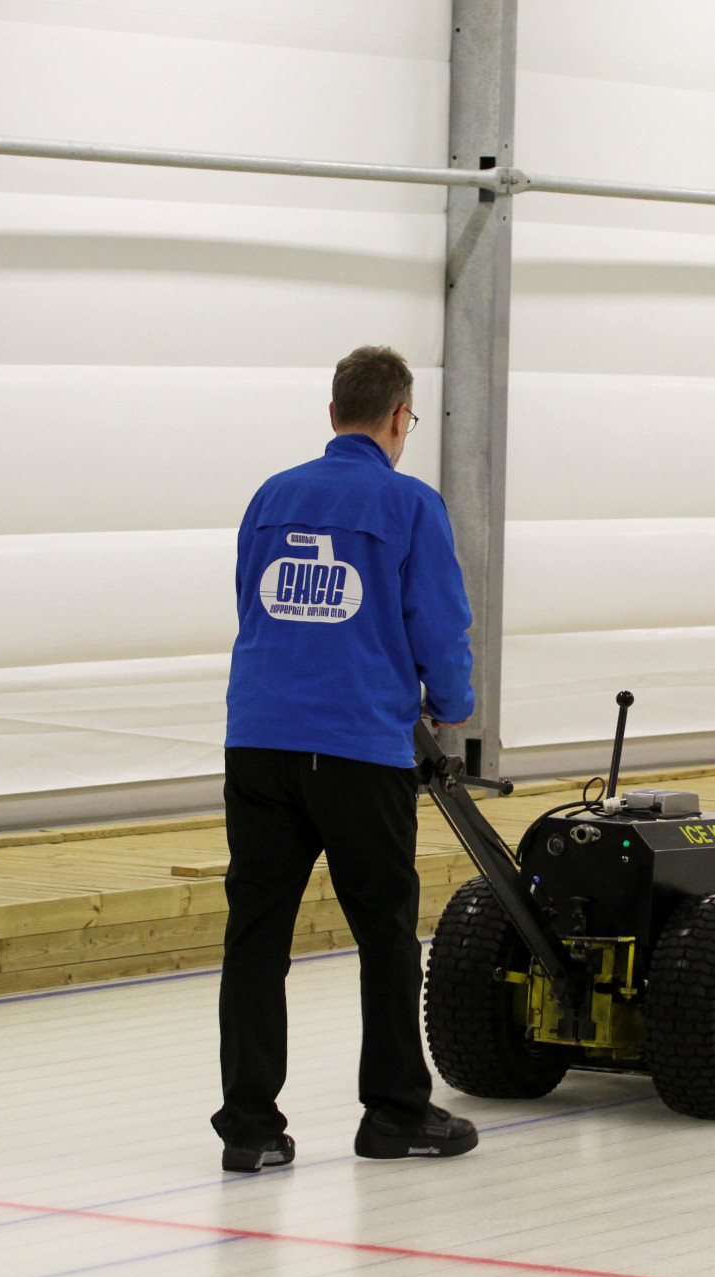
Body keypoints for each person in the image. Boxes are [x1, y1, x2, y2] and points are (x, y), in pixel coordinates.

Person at [212, 345, 480, 1173]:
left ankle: (252, 1129)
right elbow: (439, 624)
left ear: (334, 414)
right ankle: (395, 1112)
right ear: (400, 419)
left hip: (257, 742)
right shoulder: (409, 504)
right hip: (358, 749)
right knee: (384, 932)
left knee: (256, 935)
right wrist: (451, 706)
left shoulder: (271, 495)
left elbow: (249, 598)